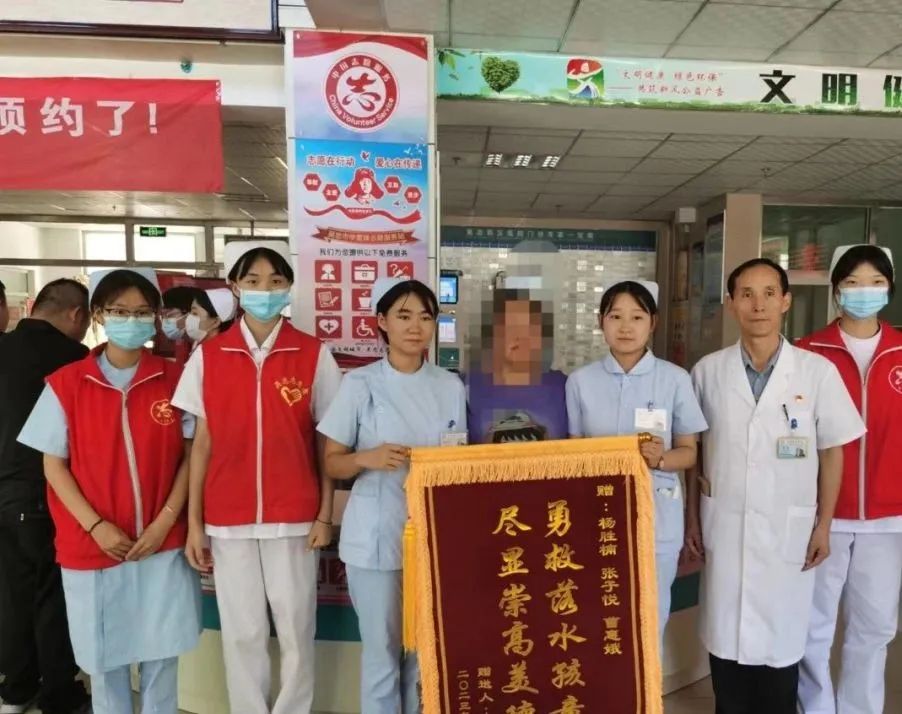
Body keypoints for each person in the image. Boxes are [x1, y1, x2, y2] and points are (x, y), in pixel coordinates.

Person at [16, 268, 201, 714]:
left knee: (162, 655)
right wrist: (95, 526)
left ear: (155, 317)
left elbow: (192, 454)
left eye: (142, 312)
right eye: (120, 311)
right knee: (105, 662)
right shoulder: (67, 383)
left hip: (161, 544)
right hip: (94, 547)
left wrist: (164, 522)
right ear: (98, 314)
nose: (131, 321)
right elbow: (53, 464)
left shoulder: (174, 379)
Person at [685, 258, 865, 714]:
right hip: (725, 525)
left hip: (790, 530)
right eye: (746, 294)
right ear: (731, 304)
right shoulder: (707, 372)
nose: (758, 305)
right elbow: (694, 451)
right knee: (727, 664)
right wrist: (693, 519)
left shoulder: (816, 372)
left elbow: (833, 451)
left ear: (786, 301)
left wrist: (824, 525)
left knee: (780, 664)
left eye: (769, 293)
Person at [173, 240, 342, 714]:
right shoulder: (210, 355)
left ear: (288, 288)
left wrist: (324, 514)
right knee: (243, 631)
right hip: (228, 516)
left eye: (275, 281)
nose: (265, 290)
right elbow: (200, 445)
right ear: (235, 287)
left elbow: (326, 442)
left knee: (296, 628)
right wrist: (194, 524)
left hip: (295, 516)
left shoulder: (312, 354)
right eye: (253, 281)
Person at [318, 278, 467, 714]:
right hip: (376, 537)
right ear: (382, 322)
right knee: (382, 653)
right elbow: (331, 463)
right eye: (404, 316)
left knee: (423, 653)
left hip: (433, 538)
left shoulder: (450, 386)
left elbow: (459, 457)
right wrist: (368, 458)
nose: (415, 326)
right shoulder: (360, 384)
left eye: (425, 317)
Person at [566, 280, 707, 640]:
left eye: (637, 317)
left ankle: (650, 680)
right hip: (596, 515)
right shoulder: (580, 382)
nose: (626, 327)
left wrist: (661, 459)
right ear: (601, 321)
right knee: (599, 615)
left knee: (649, 618)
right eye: (616, 316)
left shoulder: (674, 379)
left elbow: (689, 452)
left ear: (652, 323)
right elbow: (574, 452)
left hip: (657, 517)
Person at [797, 245, 902, 714]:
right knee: (813, 626)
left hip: (889, 517)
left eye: (875, 282)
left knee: (874, 627)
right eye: (853, 282)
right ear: (836, 289)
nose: (864, 292)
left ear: (890, 288)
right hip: (825, 516)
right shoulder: (807, 352)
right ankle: (816, 708)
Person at [0, 279, 91, 714]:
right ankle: (59, 694)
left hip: (3, 491)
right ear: (78, 315)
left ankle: (16, 689)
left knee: (11, 593)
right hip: (44, 491)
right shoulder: (74, 359)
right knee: (53, 596)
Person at [466, 288, 568, 444]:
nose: (520, 337)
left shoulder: (564, 387)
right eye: (511, 327)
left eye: (530, 328)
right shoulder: (466, 387)